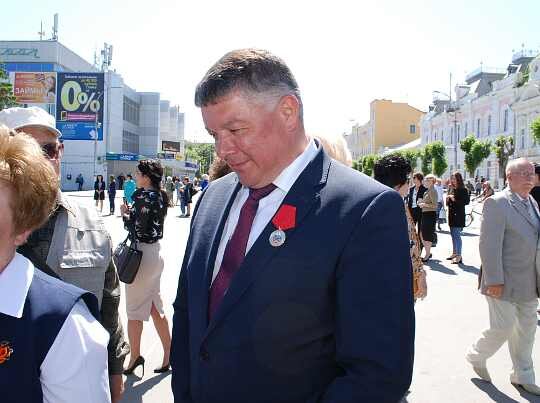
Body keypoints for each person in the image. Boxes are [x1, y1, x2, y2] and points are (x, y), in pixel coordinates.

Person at [171, 48, 414, 403]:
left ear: (288, 111)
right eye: (213, 134)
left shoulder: (365, 210)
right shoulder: (212, 198)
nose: (222, 150)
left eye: (235, 130)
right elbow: (188, 316)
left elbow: (376, 375)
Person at [0, 106, 129, 403]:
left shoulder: (92, 221)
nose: (38, 160)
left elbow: (109, 300)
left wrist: (114, 370)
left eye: (46, 149)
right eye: (24, 148)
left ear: (60, 152)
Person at [466, 158, 540, 396]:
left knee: (527, 331)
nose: (530, 177)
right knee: (503, 327)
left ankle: (523, 375)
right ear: (509, 177)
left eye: (531, 173)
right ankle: (476, 355)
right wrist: (494, 280)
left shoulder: (532, 202)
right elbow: (488, 246)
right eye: (524, 173)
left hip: (530, 281)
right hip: (503, 281)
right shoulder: (497, 203)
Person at [121, 160, 171, 376]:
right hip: (155, 254)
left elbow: (136, 228)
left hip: (140, 256)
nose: (136, 177)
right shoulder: (160, 196)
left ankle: (135, 357)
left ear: (146, 177)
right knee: (154, 307)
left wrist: (125, 214)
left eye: (138, 174)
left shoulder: (142, 197)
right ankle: (169, 353)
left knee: (134, 311)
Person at [374, 154, 427, 301]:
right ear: (398, 184)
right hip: (399, 286)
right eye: (408, 180)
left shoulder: (375, 203)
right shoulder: (394, 206)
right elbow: (409, 246)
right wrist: (420, 274)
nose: (410, 185)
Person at [446, 172, 469, 265]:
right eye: (452, 178)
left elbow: (466, 202)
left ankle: (459, 256)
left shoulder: (463, 189)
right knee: (453, 235)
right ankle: (454, 253)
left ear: (458, 179)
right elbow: (449, 203)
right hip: (451, 214)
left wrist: (454, 199)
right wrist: (448, 199)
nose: (453, 180)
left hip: (458, 215)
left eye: (454, 179)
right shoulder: (451, 188)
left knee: (457, 235)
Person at [418, 174, 438, 262]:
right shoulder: (428, 191)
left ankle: (427, 254)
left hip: (430, 215)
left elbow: (435, 206)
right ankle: (428, 253)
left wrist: (424, 204)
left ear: (431, 181)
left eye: (427, 180)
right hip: (425, 214)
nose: (425, 182)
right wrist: (421, 203)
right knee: (422, 234)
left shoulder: (433, 191)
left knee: (427, 235)